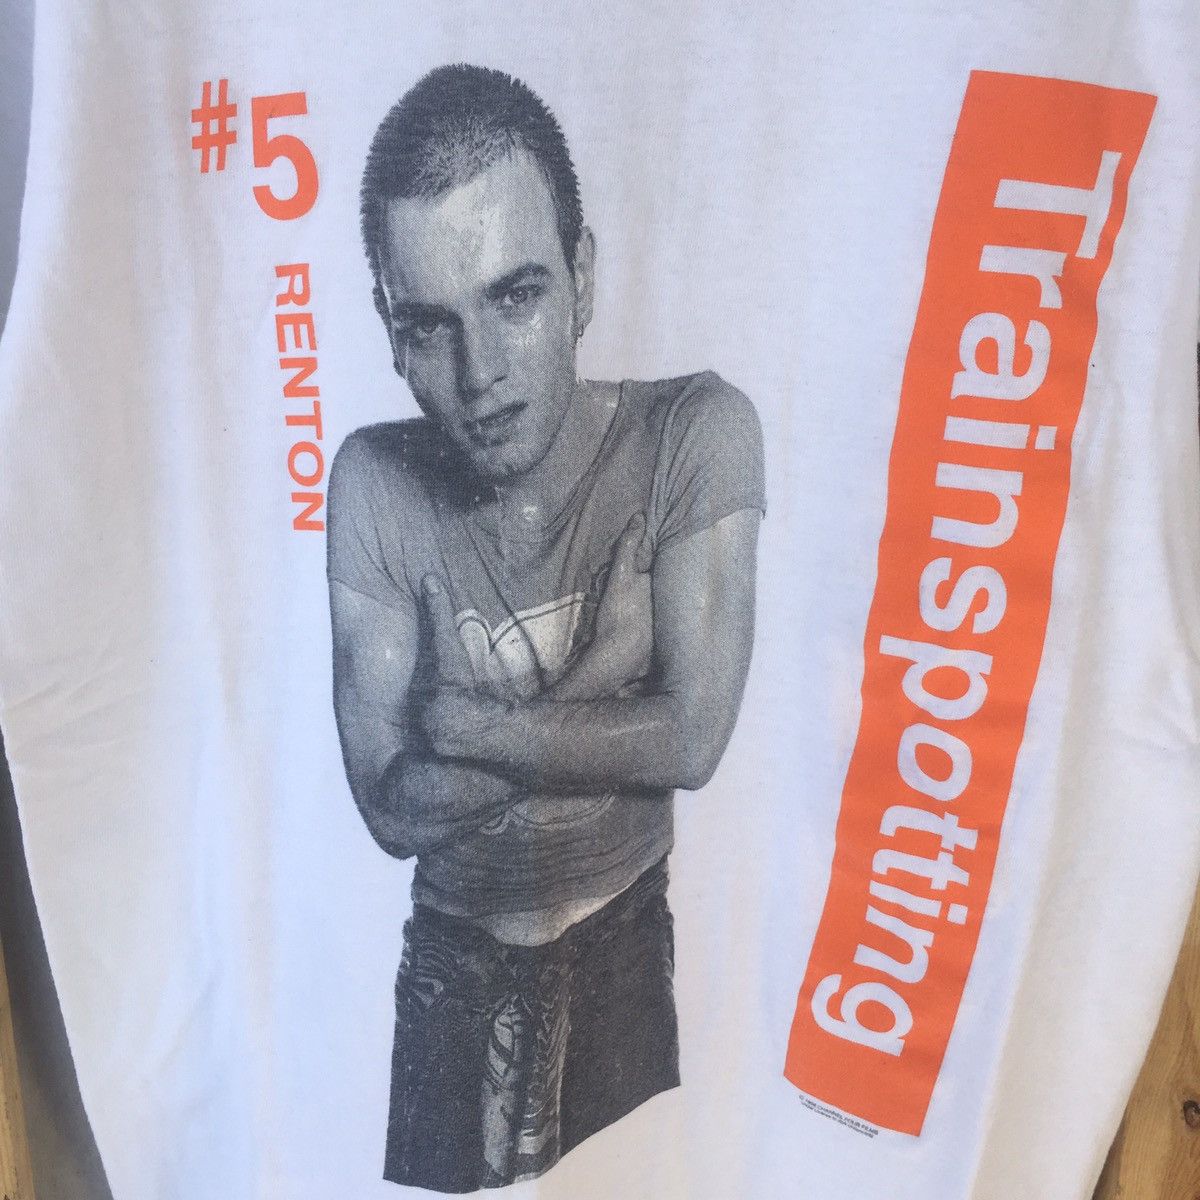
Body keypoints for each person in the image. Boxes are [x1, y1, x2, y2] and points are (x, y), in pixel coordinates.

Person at [326, 62, 765, 1192]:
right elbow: (390, 809)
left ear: (583, 276)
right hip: (450, 965)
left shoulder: (695, 433)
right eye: (432, 326)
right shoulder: (372, 480)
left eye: (515, 297)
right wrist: (610, 673)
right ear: (390, 333)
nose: (480, 375)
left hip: (624, 938)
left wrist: (468, 726)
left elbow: (694, 739)